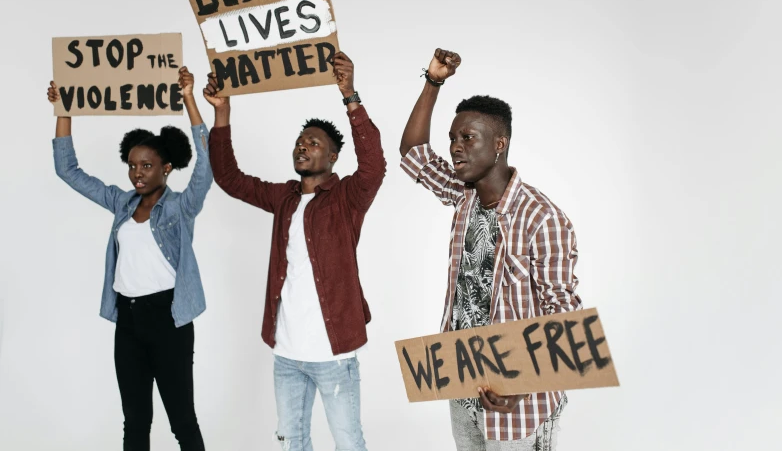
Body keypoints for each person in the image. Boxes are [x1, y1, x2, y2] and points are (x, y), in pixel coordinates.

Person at [399, 49, 582, 451]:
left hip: (518, 398)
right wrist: (433, 81)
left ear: (499, 144)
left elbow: (562, 314)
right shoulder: (463, 196)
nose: (455, 148)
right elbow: (413, 153)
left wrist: (527, 382)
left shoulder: (542, 217)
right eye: (452, 138)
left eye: (467, 138)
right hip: (463, 382)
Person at [206, 51, 385, 451]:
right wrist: (222, 113)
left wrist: (350, 96)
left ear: (332, 156)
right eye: (301, 141)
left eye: (314, 143)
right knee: (291, 442)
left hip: (334, 355)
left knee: (349, 443)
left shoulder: (346, 198)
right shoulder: (283, 197)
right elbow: (230, 179)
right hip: (286, 354)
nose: (303, 146)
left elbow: (374, 166)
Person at [49, 67, 213, 451]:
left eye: (147, 166)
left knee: (182, 422)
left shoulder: (180, 208)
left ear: (167, 167)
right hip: (128, 320)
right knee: (135, 423)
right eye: (133, 165)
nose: (137, 173)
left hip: (169, 321)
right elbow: (67, 170)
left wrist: (189, 99)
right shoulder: (121, 203)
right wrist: (64, 109)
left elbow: (206, 168)